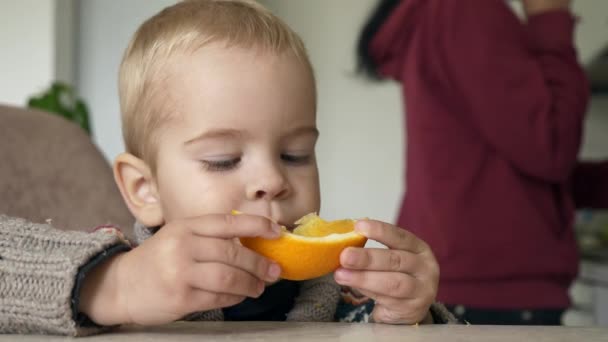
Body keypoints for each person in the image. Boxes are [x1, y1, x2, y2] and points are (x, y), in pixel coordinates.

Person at [0, 0, 456, 336]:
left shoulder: (345, 296)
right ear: (145, 189)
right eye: (224, 161)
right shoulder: (116, 279)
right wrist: (111, 286)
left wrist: (408, 317)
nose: (273, 181)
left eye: (294, 154)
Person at [357, 0, 608, 325]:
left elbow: (520, 170)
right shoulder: (464, 10)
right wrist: (550, 15)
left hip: (471, 285)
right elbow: (552, 145)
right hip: (492, 292)